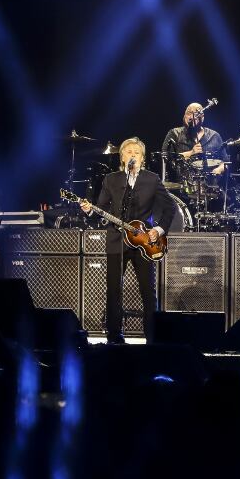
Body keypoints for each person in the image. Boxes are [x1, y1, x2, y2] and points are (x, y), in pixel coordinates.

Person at [81, 137, 174, 344]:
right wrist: (90, 210)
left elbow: (170, 207)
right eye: (129, 151)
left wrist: (158, 230)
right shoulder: (111, 179)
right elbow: (102, 208)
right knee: (114, 289)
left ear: (143, 158)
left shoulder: (151, 179)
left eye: (137, 152)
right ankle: (114, 337)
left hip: (144, 243)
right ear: (122, 157)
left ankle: (152, 337)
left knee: (147, 292)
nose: (133, 155)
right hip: (116, 240)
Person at [161, 102, 228, 180]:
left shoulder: (214, 136)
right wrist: (191, 153)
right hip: (181, 185)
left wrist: (218, 170)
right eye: (189, 113)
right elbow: (165, 158)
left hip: (210, 186)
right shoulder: (174, 134)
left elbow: (225, 162)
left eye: (196, 114)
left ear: (202, 117)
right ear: (184, 116)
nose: (191, 117)